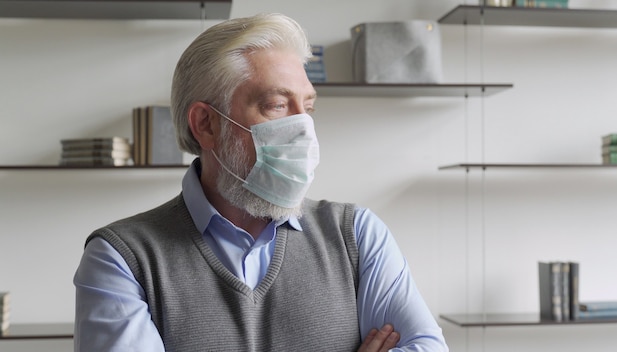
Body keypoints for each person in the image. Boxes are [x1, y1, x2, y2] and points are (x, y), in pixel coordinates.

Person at [73, 13, 448, 352]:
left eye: (308, 107)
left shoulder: (356, 236)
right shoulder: (121, 259)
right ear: (205, 124)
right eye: (277, 105)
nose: (304, 130)